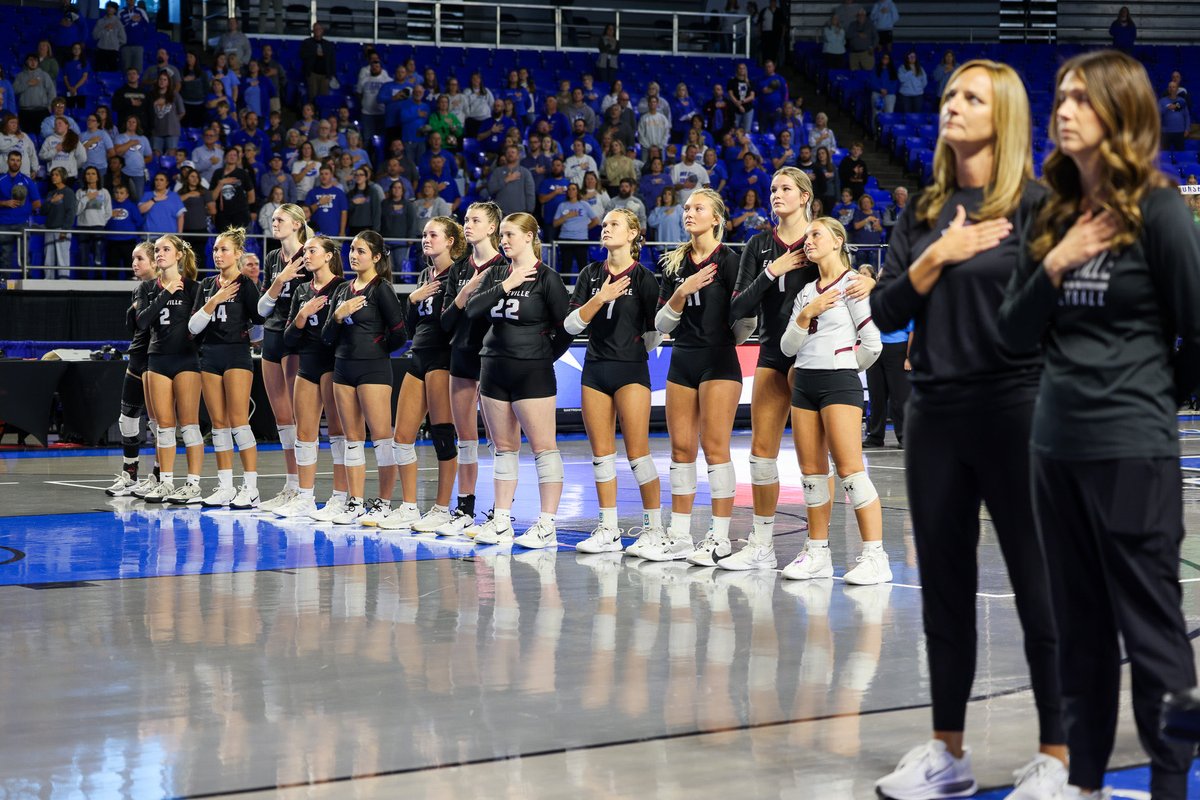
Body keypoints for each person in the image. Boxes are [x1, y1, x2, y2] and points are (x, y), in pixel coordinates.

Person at [998, 49, 1200, 800]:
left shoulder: (1159, 207)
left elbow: (1198, 328)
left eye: (1083, 97)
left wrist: (1156, 396)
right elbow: (1011, 335)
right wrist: (1057, 264)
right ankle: (1084, 784)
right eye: (1062, 95)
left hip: (1132, 454)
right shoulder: (1047, 213)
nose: (1066, 108)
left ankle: (1172, 787)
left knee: (1156, 644)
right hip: (1054, 450)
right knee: (1079, 637)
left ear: (1122, 111)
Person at [870, 59, 1067, 800]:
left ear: (1004, 114)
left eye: (970, 97)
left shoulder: (1044, 206)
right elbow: (886, 313)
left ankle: (1056, 753)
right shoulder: (925, 210)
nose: (952, 105)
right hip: (936, 414)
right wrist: (938, 258)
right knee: (944, 591)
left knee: (1039, 585)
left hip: (1022, 410)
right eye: (949, 94)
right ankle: (946, 753)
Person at [720, 167, 868, 570]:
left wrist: (871, 283)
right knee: (761, 456)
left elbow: (851, 280)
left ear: (805, 196)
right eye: (772, 189)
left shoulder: (821, 238)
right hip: (773, 352)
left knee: (818, 464)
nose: (775, 194)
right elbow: (737, 309)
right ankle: (762, 546)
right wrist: (773, 271)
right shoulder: (759, 245)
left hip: (815, 360)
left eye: (785, 188)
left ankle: (819, 549)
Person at [776, 213, 886, 571]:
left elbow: (872, 345)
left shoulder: (854, 284)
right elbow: (788, 347)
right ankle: (818, 552)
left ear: (837, 241)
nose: (808, 241)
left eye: (816, 235)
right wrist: (806, 313)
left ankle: (874, 556)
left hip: (839, 383)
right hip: (804, 384)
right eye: (806, 237)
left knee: (851, 471)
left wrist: (841, 365)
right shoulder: (807, 292)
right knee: (810, 474)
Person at [641, 188, 745, 563]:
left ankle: (720, 538)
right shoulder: (674, 264)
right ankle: (680, 536)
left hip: (718, 360)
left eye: (698, 208)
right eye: (686, 208)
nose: (689, 213)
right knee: (680, 449)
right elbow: (662, 323)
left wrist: (724, 340)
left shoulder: (732, 261)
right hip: (682, 358)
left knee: (715, 448)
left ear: (716, 218)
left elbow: (746, 318)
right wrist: (682, 292)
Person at [460, 212, 569, 548]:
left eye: (509, 234)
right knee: (504, 449)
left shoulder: (547, 278)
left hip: (531, 370)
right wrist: (507, 284)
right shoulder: (496, 273)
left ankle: (547, 524)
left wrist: (538, 354)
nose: (504, 240)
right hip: (493, 368)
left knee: (543, 448)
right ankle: (502, 521)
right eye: (502, 235)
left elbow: (565, 329)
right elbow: (472, 310)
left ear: (529, 236)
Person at [566, 208, 665, 553]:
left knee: (638, 455)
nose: (606, 229)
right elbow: (571, 325)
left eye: (614, 224)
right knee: (601, 456)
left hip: (630, 371)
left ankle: (655, 529)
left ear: (634, 232)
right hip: (594, 369)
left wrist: (632, 349)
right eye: (604, 224)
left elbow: (655, 334)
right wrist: (600, 299)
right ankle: (608, 529)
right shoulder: (591, 273)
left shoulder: (644, 279)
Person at [374, 217, 465, 532]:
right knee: (402, 436)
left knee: (442, 435)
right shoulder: (426, 274)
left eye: (433, 234)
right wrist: (412, 299)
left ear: (450, 240)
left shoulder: (459, 272)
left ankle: (442, 508)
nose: (426, 239)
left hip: (444, 358)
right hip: (419, 356)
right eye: (424, 234)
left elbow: (454, 322)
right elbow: (412, 327)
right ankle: (410, 506)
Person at [321, 231, 408, 525]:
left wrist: (375, 349)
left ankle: (384, 503)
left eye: (360, 251)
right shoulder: (343, 290)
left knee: (382, 439)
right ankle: (355, 502)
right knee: (352, 440)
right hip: (343, 369)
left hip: (373, 370)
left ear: (376, 257)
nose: (353, 255)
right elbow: (326, 337)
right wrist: (337, 314)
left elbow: (399, 334)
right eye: (352, 250)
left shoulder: (381, 288)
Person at [434, 201, 505, 536]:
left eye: (476, 220)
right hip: (461, 355)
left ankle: (500, 511)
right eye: (466, 220)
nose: (468, 225)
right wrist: (463, 294)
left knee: (499, 440)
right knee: (466, 438)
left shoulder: (505, 266)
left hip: (494, 359)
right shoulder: (460, 267)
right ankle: (464, 507)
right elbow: (445, 322)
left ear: (492, 227)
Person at [272, 236, 349, 520]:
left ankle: (340, 497)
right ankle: (305, 497)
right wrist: (302, 314)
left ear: (328, 256)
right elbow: (289, 338)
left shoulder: (341, 287)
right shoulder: (302, 290)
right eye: (304, 252)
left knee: (338, 433)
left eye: (312, 251)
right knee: (304, 434)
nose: (306, 255)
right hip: (307, 364)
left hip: (332, 364)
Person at [187, 227, 263, 508]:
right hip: (209, 356)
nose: (218, 254)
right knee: (218, 425)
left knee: (239, 422)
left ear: (238, 254)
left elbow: (259, 323)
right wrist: (216, 299)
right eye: (216, 250)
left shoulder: (246, 285)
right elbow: (193, 327)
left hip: (237, 355)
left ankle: (251, 488)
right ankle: (225, 486)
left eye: (224, 250)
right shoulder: (207, 285)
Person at [136, 235, 203, 504]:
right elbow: (141, 322)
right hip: (157, 359)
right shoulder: (147, 288)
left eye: (166, 249)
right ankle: (165, 483)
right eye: (158, 250)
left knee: (189, 425)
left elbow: (199, 328)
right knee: (163, 427)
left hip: (186, 360)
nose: (160, 253)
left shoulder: (194, 287)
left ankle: (193, 484)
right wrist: (165, 293)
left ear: (178, 255)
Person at [255, 204, 312, 512]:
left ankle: (305, 490)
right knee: (282, 418)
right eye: (273, 218)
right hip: (273, 335)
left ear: (297, 224)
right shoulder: (273, 258)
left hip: (297, 339)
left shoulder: (311, 253)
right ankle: (291, 486)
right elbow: (264, 305)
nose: (274, 223)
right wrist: (280, 280)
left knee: (301, 417)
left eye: (280, 219)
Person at [105, 242, 160, 496]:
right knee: (127, 419)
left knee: (160, 424)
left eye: (139, 258)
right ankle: (130, 476)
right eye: (133, 259)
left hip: (159, 360)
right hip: (137, 359)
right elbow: (135, 324)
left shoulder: (170, 287)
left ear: (154, 261)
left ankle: (159, 476)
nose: (134, 263)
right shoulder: (140, 289)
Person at [554, 183, 600, 273]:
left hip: (581, 239)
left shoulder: (584, 205)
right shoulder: (562, 205)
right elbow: (555, 223)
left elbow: (596, 220)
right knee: (565, 266)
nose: (571, 191)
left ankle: (584, 286)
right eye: (569, 189)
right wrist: (566, 217)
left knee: (582, 266)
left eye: (574, 189)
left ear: (577, 191)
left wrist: (584, 228)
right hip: (565, 239)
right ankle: (565, 286)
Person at [75, 166, 111, 271]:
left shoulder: (104, 192)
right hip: (83, 227)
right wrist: (87, 198)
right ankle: (84, 280)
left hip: (98, 227)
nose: (90, 176)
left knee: (98, 256)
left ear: (98, 177)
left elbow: (108, 211)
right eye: (88, 174)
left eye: (93, 173)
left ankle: (98, 279)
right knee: (83, 256)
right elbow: (76, 211)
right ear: (84, 177)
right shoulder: (80, 192)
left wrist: (100, 221)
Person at [41, 167, 75, 279]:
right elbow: (43, 210)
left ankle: (63, 281)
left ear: (63, 176)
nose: (53, 177)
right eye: (52, 175)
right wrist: (52, 201)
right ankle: (48, 280)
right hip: (49, 228)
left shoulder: (68, 192)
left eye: (56, 174)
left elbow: (70, 212)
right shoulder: (51, 193)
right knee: (48, 257)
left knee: (62, 257)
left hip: (61, 229)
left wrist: (65, 229)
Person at [486, 145, 535, 217]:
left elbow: (530, 193)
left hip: (520, 213)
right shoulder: (497, 171)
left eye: (513, 152)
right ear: (505, 155)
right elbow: (491, 189)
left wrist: (530, 211)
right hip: (501, 213)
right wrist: (506, 180)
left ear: (518, 156)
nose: (510, 154)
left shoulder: (525, 172)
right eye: (508, 152)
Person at [113, 115, 151, 199]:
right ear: (125, 124)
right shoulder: (120, 137)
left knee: (139, 197)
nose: (131, 124)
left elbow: (149, 156)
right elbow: (117, 151)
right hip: (124, 172)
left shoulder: (143, 139)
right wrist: (130, 143)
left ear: (137, 124)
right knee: (122, 197)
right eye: (129, 122)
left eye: (133, 122)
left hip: (139, 173)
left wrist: (139, 162)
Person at [39, 118, 86, 184]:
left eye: (60, 123)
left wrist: (72, 167)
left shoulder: (74, 139)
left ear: (67, 125)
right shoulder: (49, 139)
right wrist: (55, 150)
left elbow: (82, 158)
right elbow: (42, 156)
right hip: (53, 175)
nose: (57, 125)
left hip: (69, 176)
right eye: (55, 124)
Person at [306, 165, 348, 237]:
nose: (323, 176)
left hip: (335, 234)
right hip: (316, 234)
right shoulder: (312, 192)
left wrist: (342, 231)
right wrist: (319, 203)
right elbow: (306, 212)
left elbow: (344, 213)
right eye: (321, 174)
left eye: (326, 174)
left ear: (331, 175)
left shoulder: (339, 192)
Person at [300, 23, 335, 101]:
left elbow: (332, 59)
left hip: (325, 75)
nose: (317, 30)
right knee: (312, 96)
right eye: (315, 29)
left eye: (319, 29)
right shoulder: (307, 42)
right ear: (313, 31)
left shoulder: (328, 44)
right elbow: (302, 55)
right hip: (312, 74)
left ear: (322, 30)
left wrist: (331, 74)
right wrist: (315, 53)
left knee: (324, 98)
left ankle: (322, 112)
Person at [119, 0, 152, 73]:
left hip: (138, 45)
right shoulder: (121, 12)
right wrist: (131, 21)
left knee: (138, 70)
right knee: (126, 70)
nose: (131, 1)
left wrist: (140, 20)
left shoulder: (141, 11)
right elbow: (119, 28)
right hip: (125, 45)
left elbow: (147, 26)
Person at [1160, 81, 1190, 153]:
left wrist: (1187, 129)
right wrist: (1167, 108)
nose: (1171, 89)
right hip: (1165, 133)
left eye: (1173, 87)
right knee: (1165, 155)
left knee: (1181, 154)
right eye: (1170, 87)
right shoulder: (1162, 101)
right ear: (1168, 89)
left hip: (1179, 132)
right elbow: (1157, 115)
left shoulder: (1182, 101)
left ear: (1177, 89)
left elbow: (1186, 116)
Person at [727, 62, 757, 133]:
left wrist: (742, 102)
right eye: (740, 68)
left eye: (743, 68)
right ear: (737, 70)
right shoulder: (732, 81)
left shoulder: (750, 82)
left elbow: (752, 96)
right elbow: (731, 95)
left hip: (748, 109)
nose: (742, 70)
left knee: (746, 130)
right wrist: (739, 105)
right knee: (735, 129)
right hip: (735, 109)